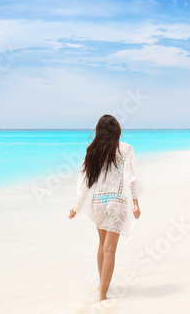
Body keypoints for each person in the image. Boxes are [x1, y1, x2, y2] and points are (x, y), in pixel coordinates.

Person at [68, 114, 143, 302]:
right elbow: (132, 177)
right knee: (110, 249)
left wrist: (77, 207)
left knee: (102, 245)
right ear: (117, 130)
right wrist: (135, 203)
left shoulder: (92, 150)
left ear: (99, 131)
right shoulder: (126, 149)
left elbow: (86, 182)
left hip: (98, 204)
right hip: (117, 204)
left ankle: (101, 288)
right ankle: (103, 296)